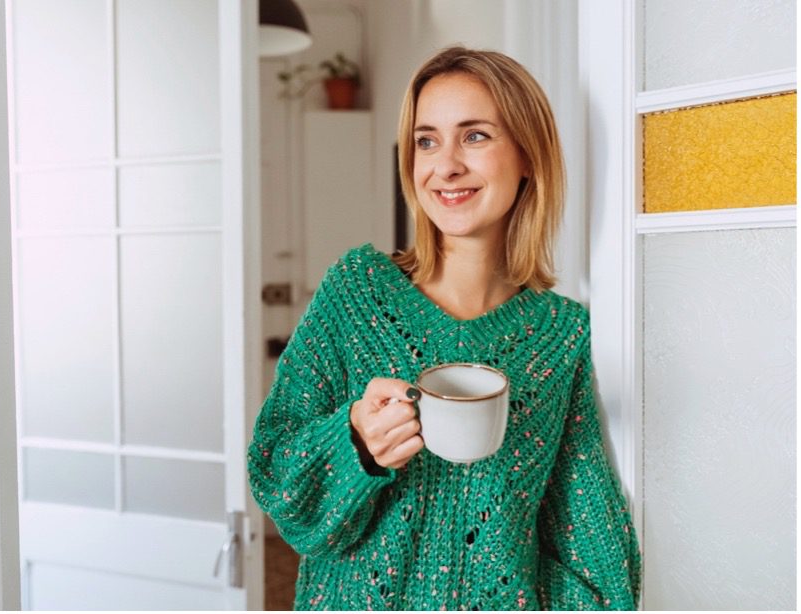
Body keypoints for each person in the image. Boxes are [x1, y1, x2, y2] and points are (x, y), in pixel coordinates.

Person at [247, 46, 641, 610]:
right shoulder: (356, 292)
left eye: (475, 136)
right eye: (426, 141)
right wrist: (356, 443)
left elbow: (589, 549)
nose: (446, 165)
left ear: (528, 155)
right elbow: (279, 481)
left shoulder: (560, 334)